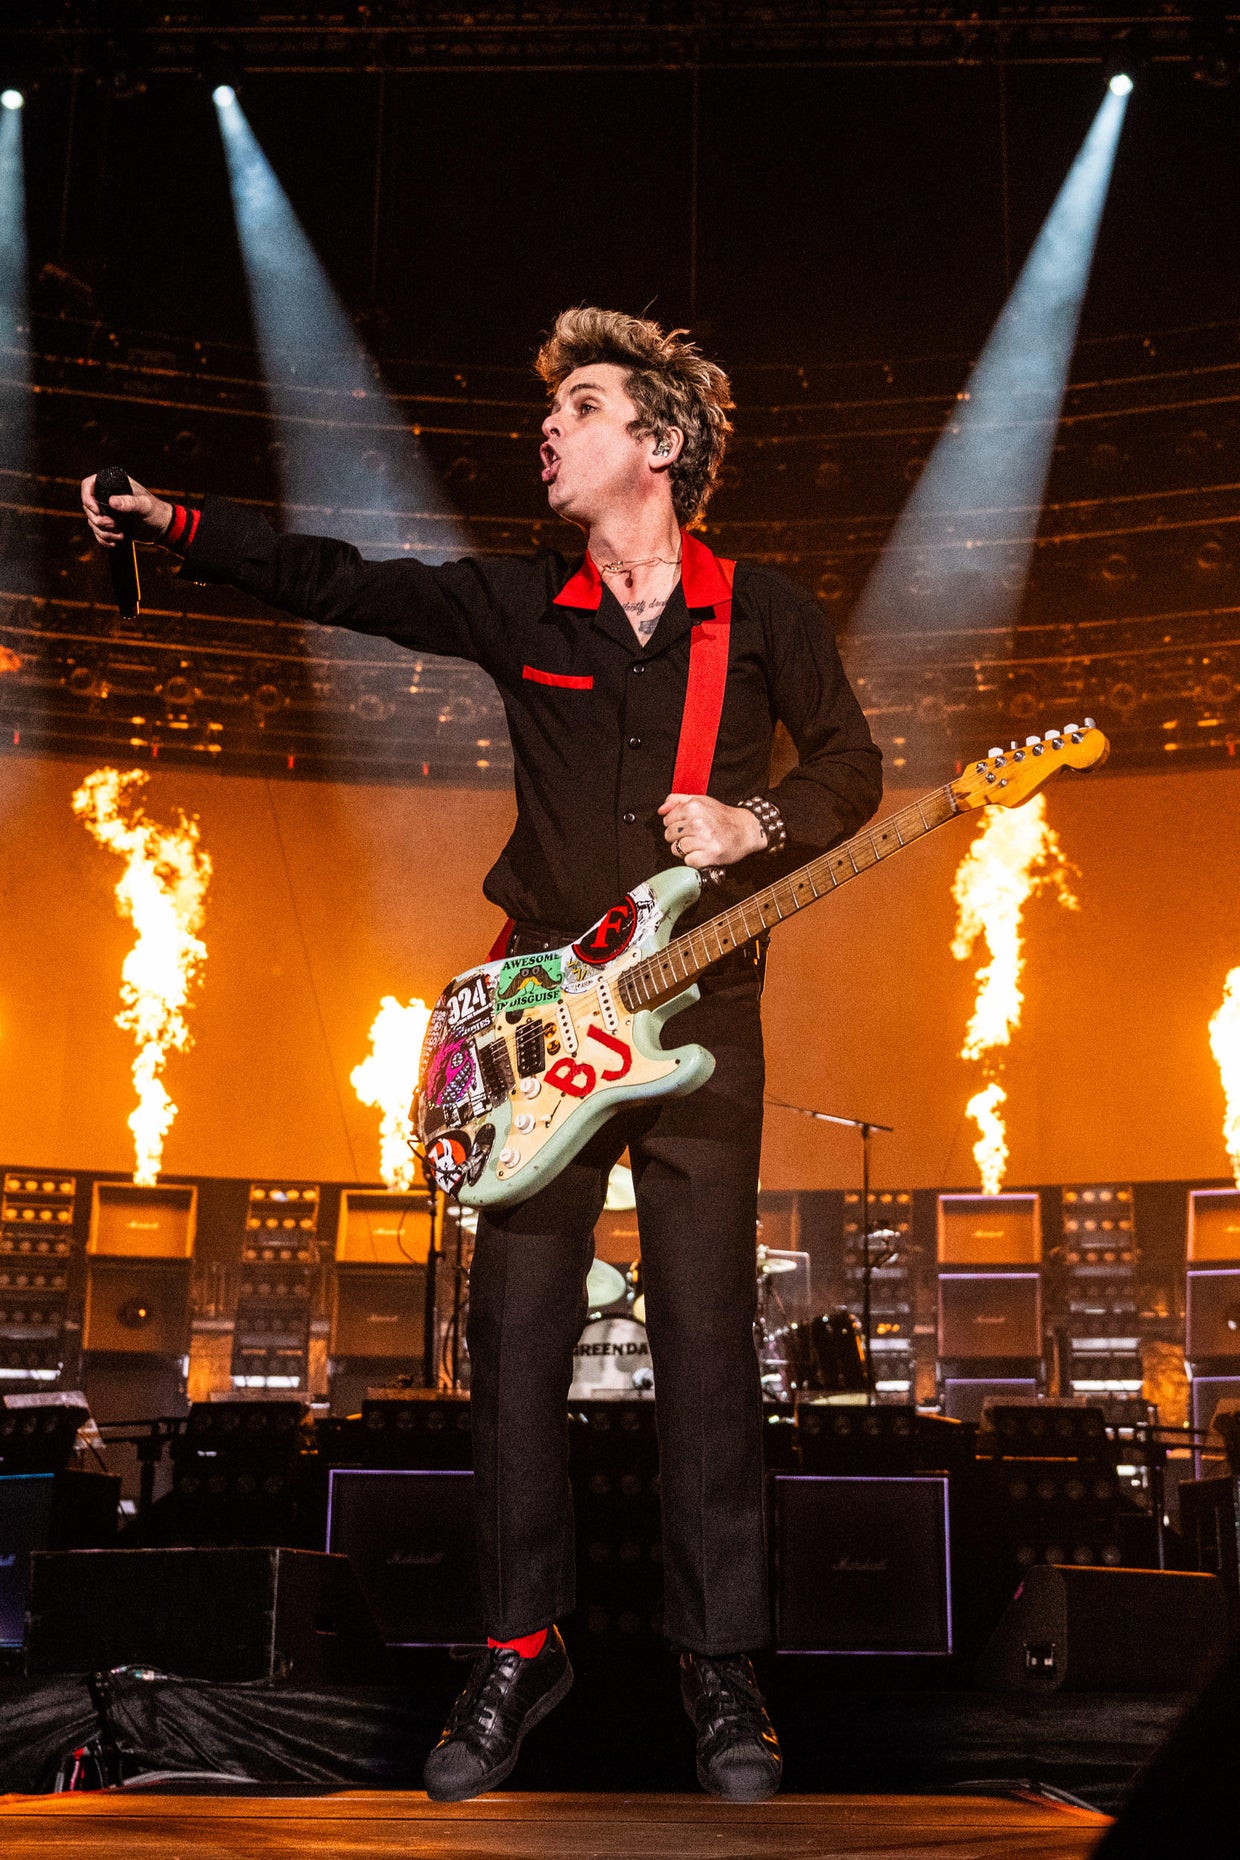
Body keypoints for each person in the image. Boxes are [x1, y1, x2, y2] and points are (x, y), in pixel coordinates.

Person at [82, 306, 882, 1804]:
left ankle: (722, 1672)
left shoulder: (762, 612)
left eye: (579, 406)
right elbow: (345, 582)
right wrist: (176, 521)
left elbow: (852, 765)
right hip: (536, 1037)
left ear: (656, 442)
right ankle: (518, 1646)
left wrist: (754, 822)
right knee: (516, 1343)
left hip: (703, 1014)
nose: (548, 428)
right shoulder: (529, 604)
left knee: (709, 1347)